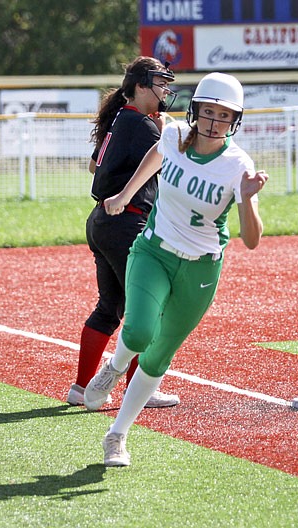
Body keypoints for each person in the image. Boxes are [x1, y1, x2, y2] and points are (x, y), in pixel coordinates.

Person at [84, 72, 268, 466]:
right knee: (138, 330)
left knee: (156, 359)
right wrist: (125, 194)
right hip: (154, 251)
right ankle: (113, 369)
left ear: (234, 120)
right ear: (196, 110)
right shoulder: (171, 136)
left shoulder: (237, 163)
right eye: (208, 111)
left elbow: (251, 240)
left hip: (201, 268)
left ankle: (116, 434)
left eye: (224, 115)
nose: (214, 121)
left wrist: (249, 200)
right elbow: (157, 156)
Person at [66, 56, 181, 409]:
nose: (166, 89)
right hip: (126, 222)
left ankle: (82, 388)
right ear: (142, 85)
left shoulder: (121, 119)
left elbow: (93, 165)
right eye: (160, 82)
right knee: (143, 310)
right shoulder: (142, 124)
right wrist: (167, 130)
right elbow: (173, 160)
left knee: (109, 308)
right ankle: (138, 389)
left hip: (101, 220)